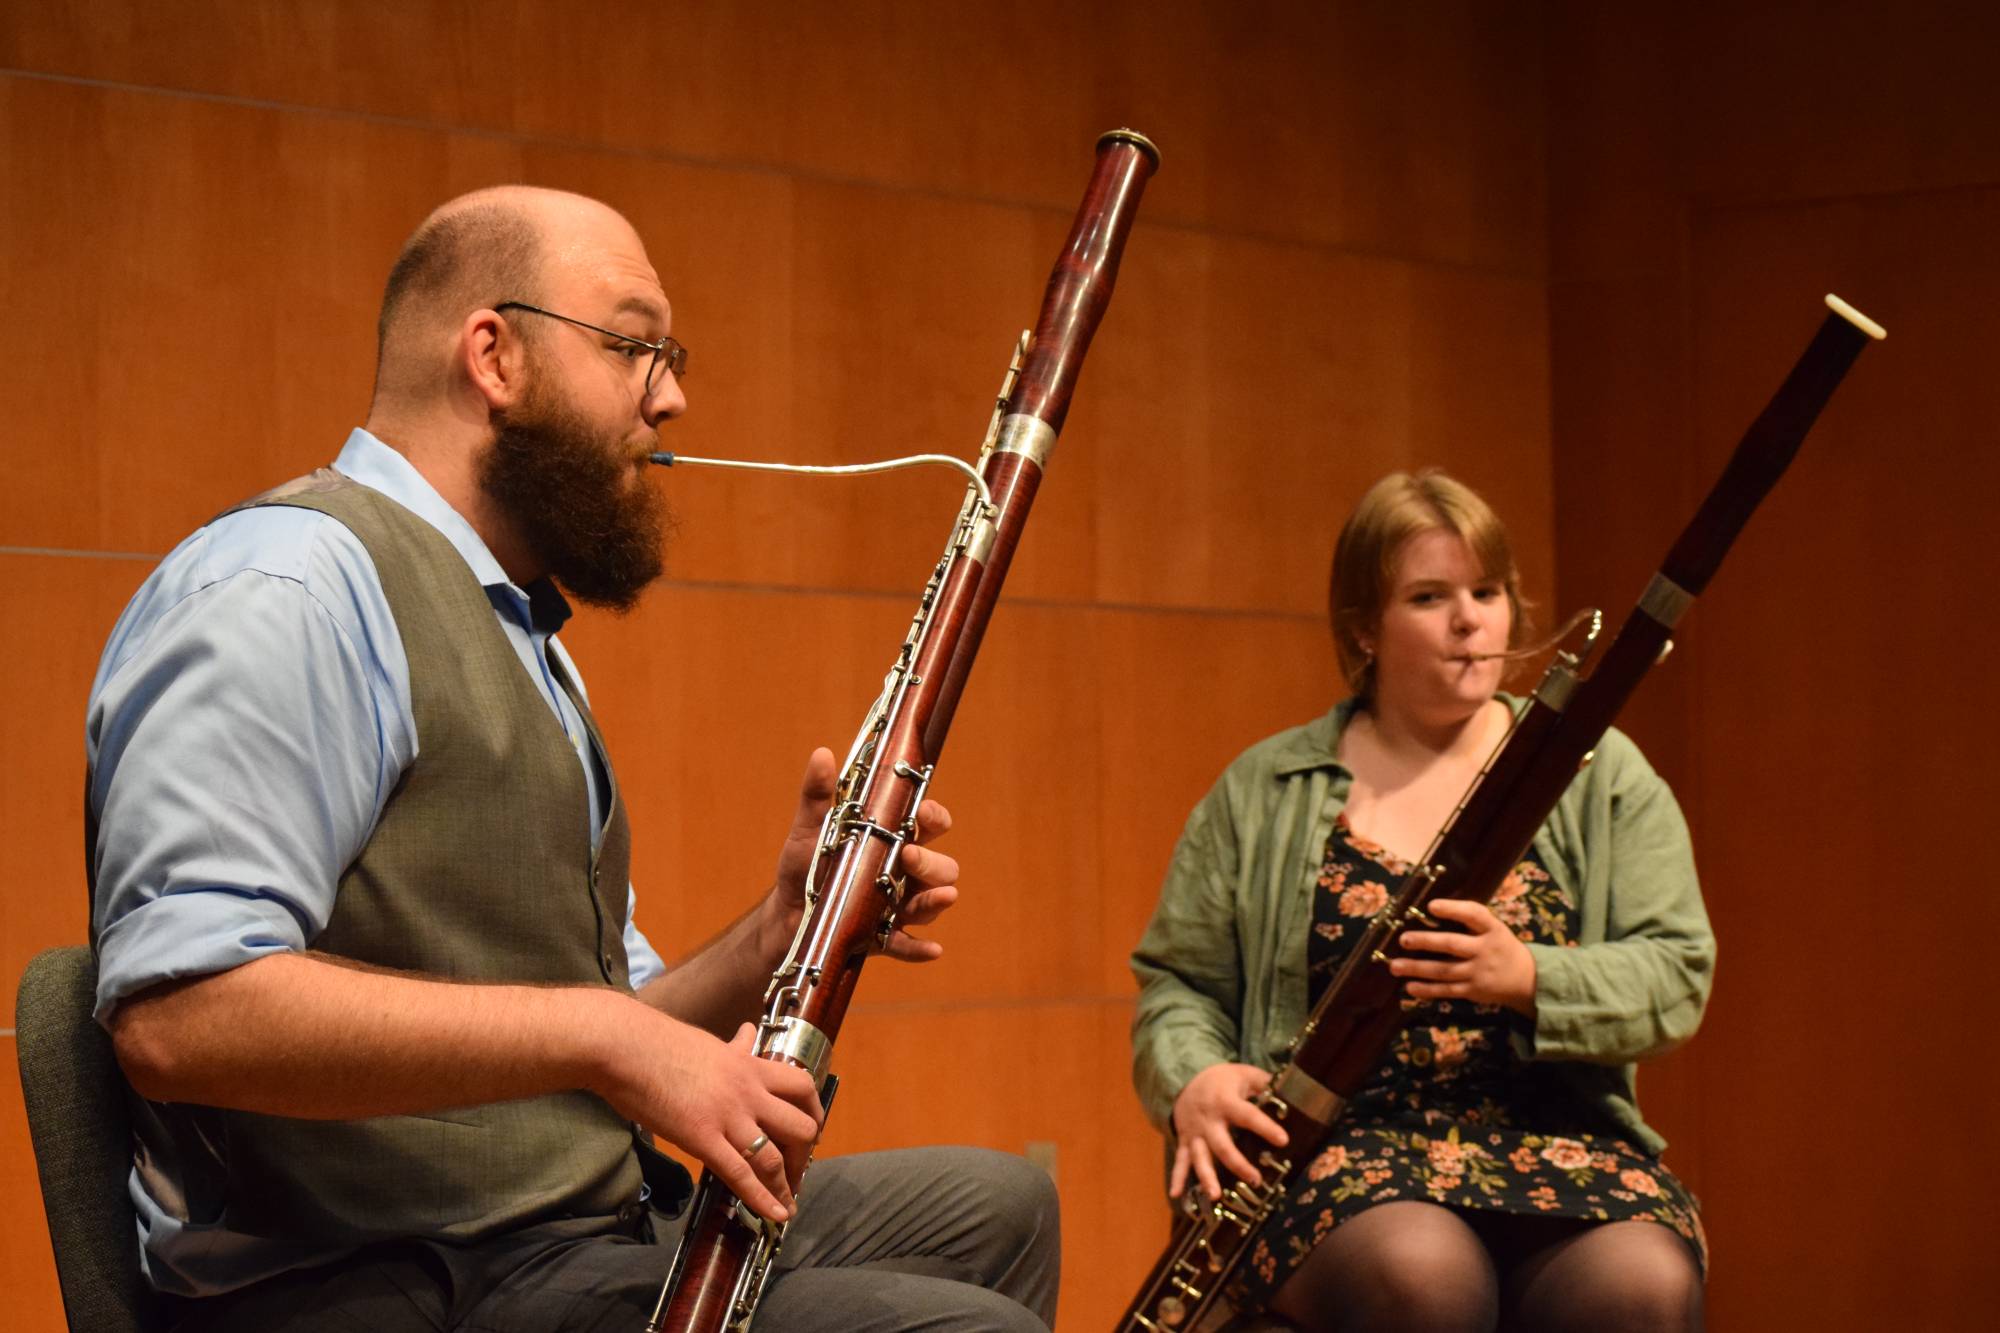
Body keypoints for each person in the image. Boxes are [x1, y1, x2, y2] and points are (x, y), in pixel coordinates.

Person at [86, 185, 1059, 1333]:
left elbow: (616, 1015)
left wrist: (775, 932)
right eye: (632, 347)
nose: (672, 396)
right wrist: (611, 1039)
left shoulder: (514, 627)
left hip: (557, 1230)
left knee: (1000, 1209)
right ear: (493, 356)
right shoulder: (287, 588)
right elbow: (181, 1015)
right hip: (374, 1275)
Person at [1130, 470, 1713, 1332]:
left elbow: (1676, 972)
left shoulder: (1598, 770)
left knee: (1640, 1287)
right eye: (1430, 596)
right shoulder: (1264, 787)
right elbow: (1178, 984)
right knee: (1421, 1278)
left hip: (1560, 1141)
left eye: (1488, 591)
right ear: (1364, 628)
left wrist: (1528, 977)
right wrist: (1195, 1077)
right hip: (1339, 1151)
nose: (1469, 619)